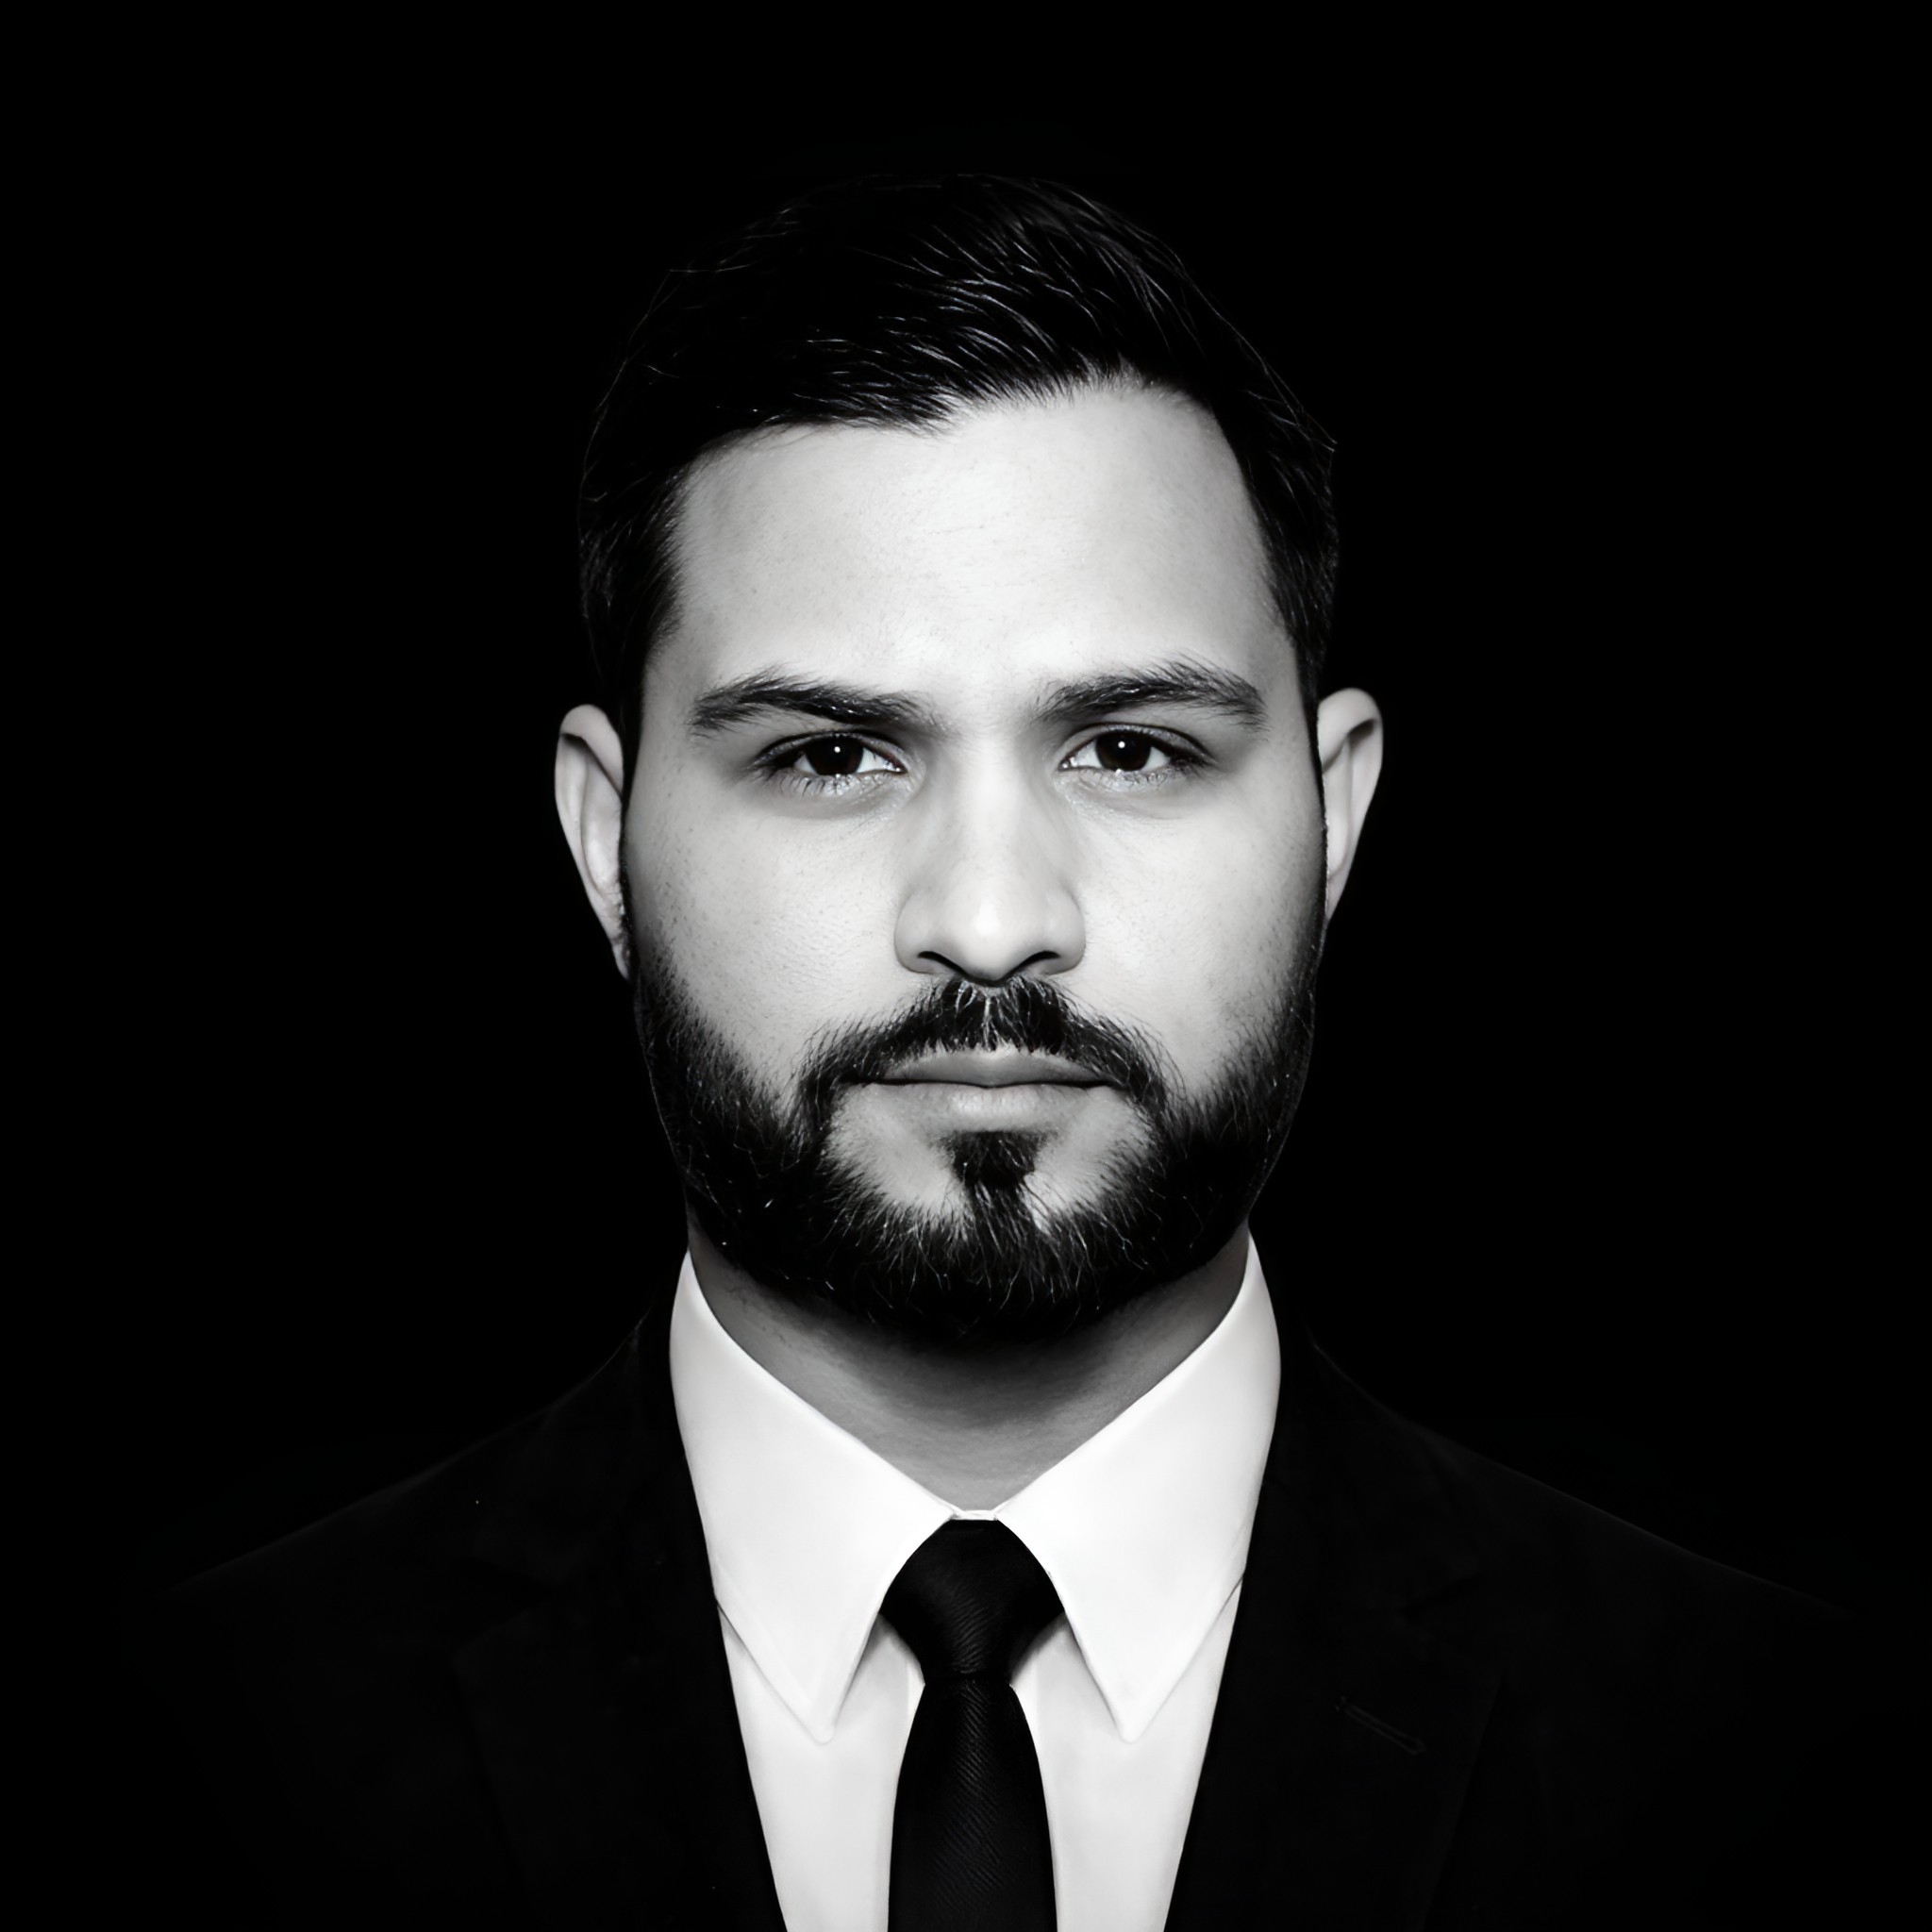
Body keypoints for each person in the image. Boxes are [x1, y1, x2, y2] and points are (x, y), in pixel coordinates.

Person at [133, 175, 1898, 1930]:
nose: (988, 924)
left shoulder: (1784, 1758)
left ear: (1334, 821)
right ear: (607, 842)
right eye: (829, 756)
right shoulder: (208, 1743)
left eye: (1130, 749)